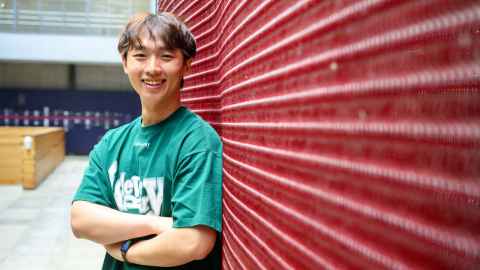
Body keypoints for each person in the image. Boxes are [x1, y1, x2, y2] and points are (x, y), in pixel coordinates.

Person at [70, 12, 223, 270]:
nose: (152, 68)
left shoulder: (197, 141)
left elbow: (193, 242)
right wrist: (154, 224)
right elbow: (80, 219)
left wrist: (125, 251)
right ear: (125, 62)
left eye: (166, 56)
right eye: (140, 56)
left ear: (187, 65)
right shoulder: (112, 143)